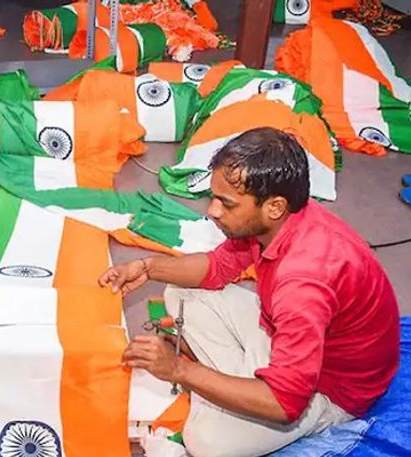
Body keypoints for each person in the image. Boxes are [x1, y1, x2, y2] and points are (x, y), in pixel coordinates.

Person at [100, 127, 400, 457]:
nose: (212, 210)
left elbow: (285, 402)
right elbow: (215, 268)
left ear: (274, 206)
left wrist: (179, 370)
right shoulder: (279, 220)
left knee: (205, 442)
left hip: (330, 387)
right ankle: (238, 387)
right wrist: (146, 267)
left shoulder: (302, 281)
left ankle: (236, 394)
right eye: (213, 198)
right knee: (181, 292)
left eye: (226, 203)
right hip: (288, 336)